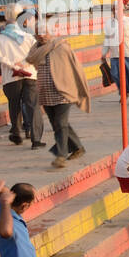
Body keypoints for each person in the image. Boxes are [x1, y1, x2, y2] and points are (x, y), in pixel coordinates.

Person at [27, 25, 89, 170]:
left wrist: (79, 88)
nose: (41, 35)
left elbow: (76, 67)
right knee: (58, 124)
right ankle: (78, 147)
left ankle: (60, 156)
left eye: (44, 32)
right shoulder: (35, 51)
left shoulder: (61, 47)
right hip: (45, 94)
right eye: (38, 33)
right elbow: (30, 60)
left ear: (50, 33)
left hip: (62, 93)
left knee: (60, 123)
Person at [0, 2, 45, 149]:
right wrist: (24, 63)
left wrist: (13, 66)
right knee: (32, 106)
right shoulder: (28, 37)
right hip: (29, 75)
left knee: (14, 106)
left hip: (10, 78)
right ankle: (36, 140)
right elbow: (37, 54)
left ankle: (16, 132)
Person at [102, 6, 129, 104]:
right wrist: (104, 53)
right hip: (115, 54)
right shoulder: (109, 23)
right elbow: (107, 39)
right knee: (115, 74)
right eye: (114, 9)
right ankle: (125, 91)